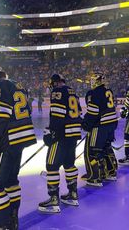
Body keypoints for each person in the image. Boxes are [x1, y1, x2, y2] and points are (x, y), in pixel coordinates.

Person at [0, 65, 36, 230]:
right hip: (21, 139)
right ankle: (13, 220)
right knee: (11, 181)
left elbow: (0, 117)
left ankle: (6, 225)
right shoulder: (17, 84)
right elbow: (27, 110)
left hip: (7, 141)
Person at [38, 74, 82, 213]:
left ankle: (53, 200)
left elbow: (57, 114)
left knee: (51, 165)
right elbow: (78, 112)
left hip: (62, 134)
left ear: (55, 83)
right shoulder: (72, 91)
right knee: (69, 164)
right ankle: (73, 195)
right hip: (73, 134)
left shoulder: (57, 91)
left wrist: (52, 133)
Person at [81, 72, 118, 187]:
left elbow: (93, 113)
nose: (91, 82)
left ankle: (95, 177)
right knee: (106, 148)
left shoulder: (93, 93)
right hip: (111, 124)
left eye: (93, 80)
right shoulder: (108, 90)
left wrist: (85, 124)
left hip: (100, 126)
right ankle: (110, 173)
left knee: (93, 151)